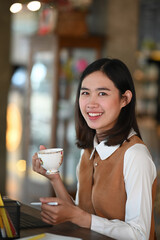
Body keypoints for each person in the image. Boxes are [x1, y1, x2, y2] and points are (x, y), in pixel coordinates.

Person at [32, 58, 157, 240]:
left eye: (102, 94)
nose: (91, 103)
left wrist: (81, 217)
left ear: (125, 99)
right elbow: (78, 215)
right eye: (85, 93)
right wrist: (54, 177)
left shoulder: (135, 155)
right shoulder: (89, 151)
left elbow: (140, 234)